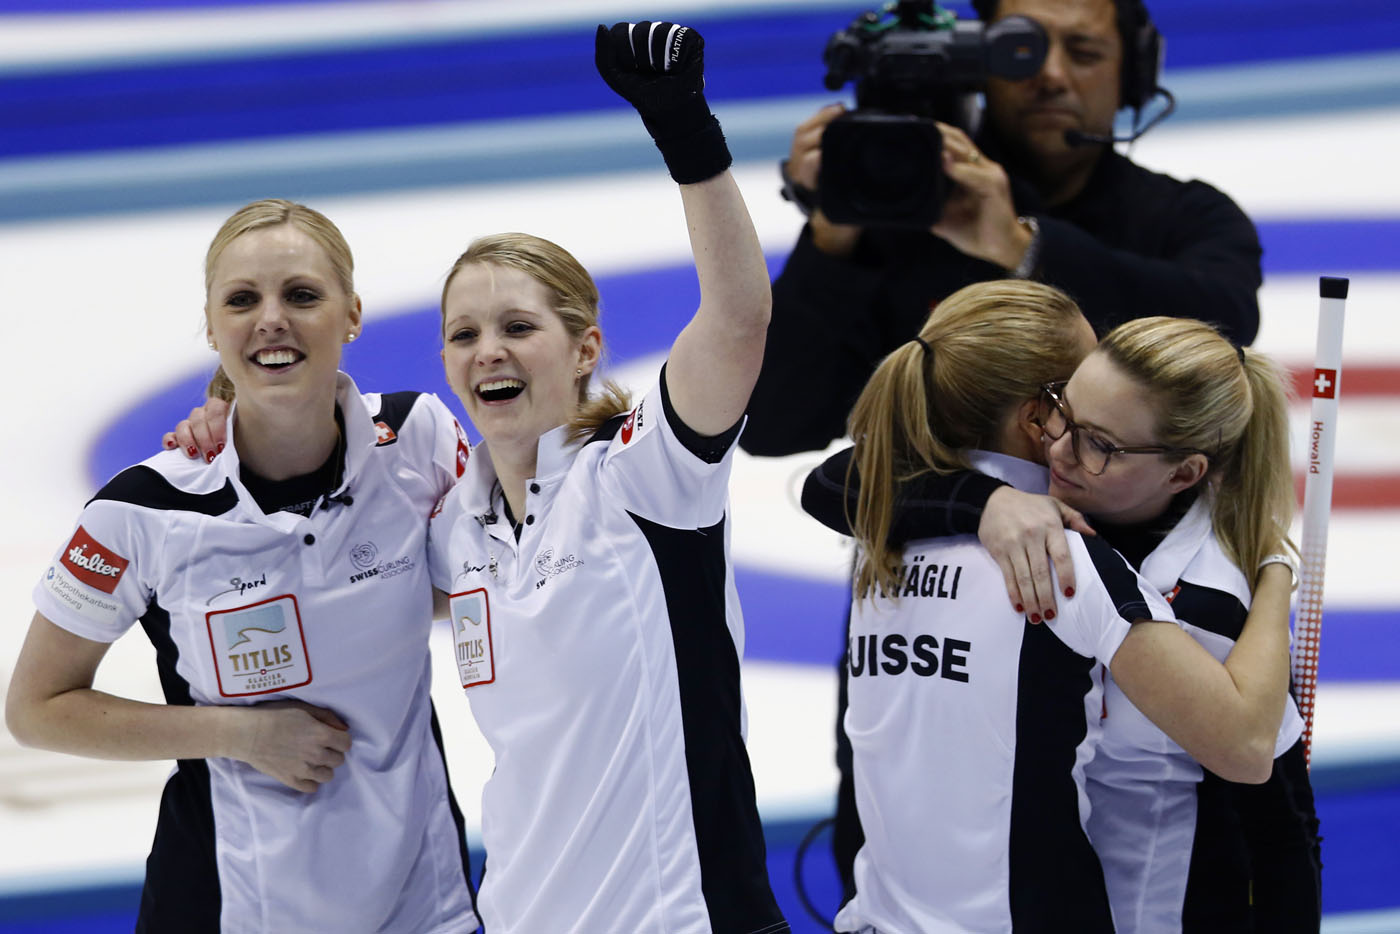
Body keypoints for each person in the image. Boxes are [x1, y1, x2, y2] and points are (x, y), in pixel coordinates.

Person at [748, 0, 1266, 895]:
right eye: (1019, 49)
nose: (1051, 74)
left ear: (1136, 70)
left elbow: (1219, 343)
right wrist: (830, 235)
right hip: (924, 644)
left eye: (1085, 48)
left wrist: (1020, 248)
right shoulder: (888, 228)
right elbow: (778, 425)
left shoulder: (1186, 220)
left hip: (1138, 651)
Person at [5, 199, 479, 932]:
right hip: (229, 904)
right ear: (212, 326)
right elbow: (36, 710)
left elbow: (472, 577)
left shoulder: (418, 439)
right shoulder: (142, 510)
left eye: (301, 295)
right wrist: (241, 735)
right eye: (242, 300)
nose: (271, 319)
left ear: (352, 314)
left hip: (422, 901)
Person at [422, 21, 785, 934]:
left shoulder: (642, 474)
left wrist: (686, 137)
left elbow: (739, 320)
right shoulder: (453, 527)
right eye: (464, 335)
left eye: (517, 327)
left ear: (584, 348)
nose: (488, 352)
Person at [799, 280, 1295, 933]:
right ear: (1039, 417)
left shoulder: (879, 527)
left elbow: (828, 481)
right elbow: (1245, 744)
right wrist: (1277, 567)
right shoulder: (1068, 566)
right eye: (1075, 398)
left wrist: (982, 502)